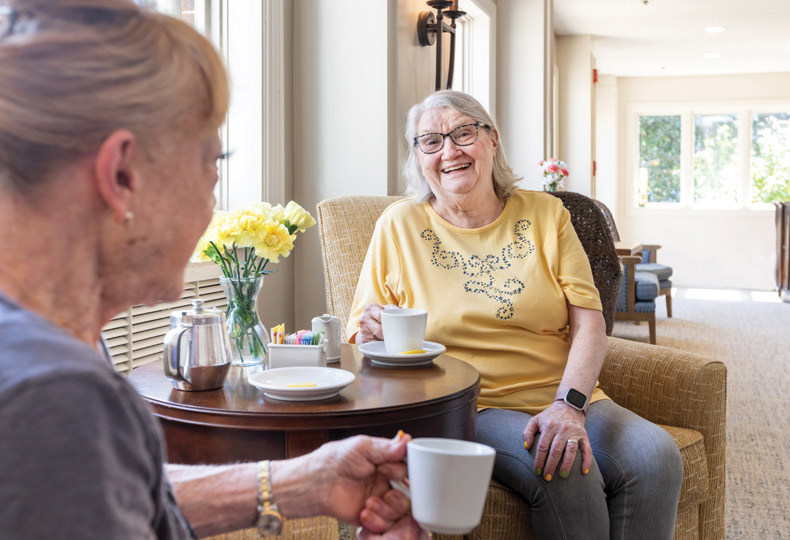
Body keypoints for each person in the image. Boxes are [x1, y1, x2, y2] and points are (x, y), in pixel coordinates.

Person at [0, 1, 427, 538]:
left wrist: (303, 482)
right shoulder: (55, 396)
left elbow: (101, 488)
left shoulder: (57, 347)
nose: (212, 202)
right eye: (211, 165)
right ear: (123, 174)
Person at [348, 90, 683, 540]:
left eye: (463, 133)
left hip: (563, 393)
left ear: (492, 140)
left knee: (657, 455)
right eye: (430, 141)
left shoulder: (547, 213)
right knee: (563, 465)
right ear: (418, 156)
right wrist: (370, 331)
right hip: (472, 404)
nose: (449, 151)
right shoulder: (399, 224)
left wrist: (569, 405)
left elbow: (590, 322)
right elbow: (359, 335)